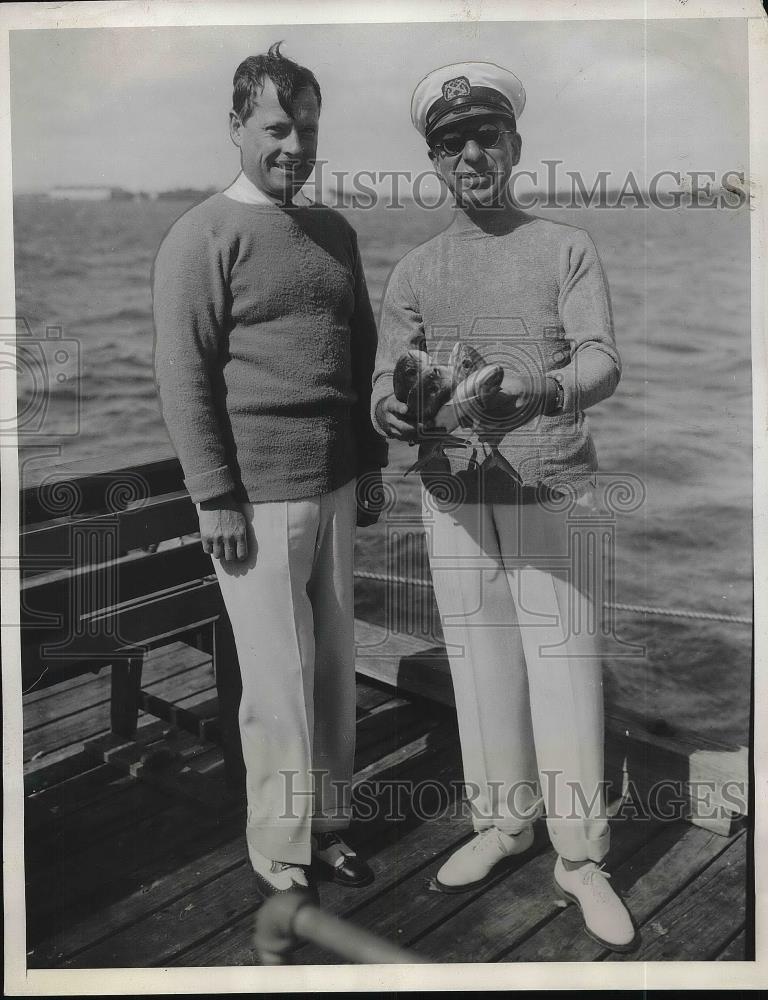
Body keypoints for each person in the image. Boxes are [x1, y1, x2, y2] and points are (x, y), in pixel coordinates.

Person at [372, 61, 636, 951]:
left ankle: (581, 856)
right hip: (451, 494)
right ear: (435, 164)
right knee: (481, 670)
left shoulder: (565, 245)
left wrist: (541, 388)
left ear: (516, 145)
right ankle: (502, 823)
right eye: (452, 144)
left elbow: (601, 359)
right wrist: (395, 406)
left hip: (549, 486)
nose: (472, 154)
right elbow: (384, 385)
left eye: (488, 136)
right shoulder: (413, 269)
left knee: (564, 671)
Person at [152, 43, 386, 898]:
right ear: (237, 129)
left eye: (309, 129)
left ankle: (330, 824)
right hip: (252, 501)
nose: (295, 146)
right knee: (277, 679)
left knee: (332, 664)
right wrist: (214, 494)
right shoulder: (201, 235)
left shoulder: (335, 231)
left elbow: (358, 354)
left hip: (335, 485)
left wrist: (373, 462)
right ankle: (281, 846)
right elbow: (183, 374)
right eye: (277, 128)